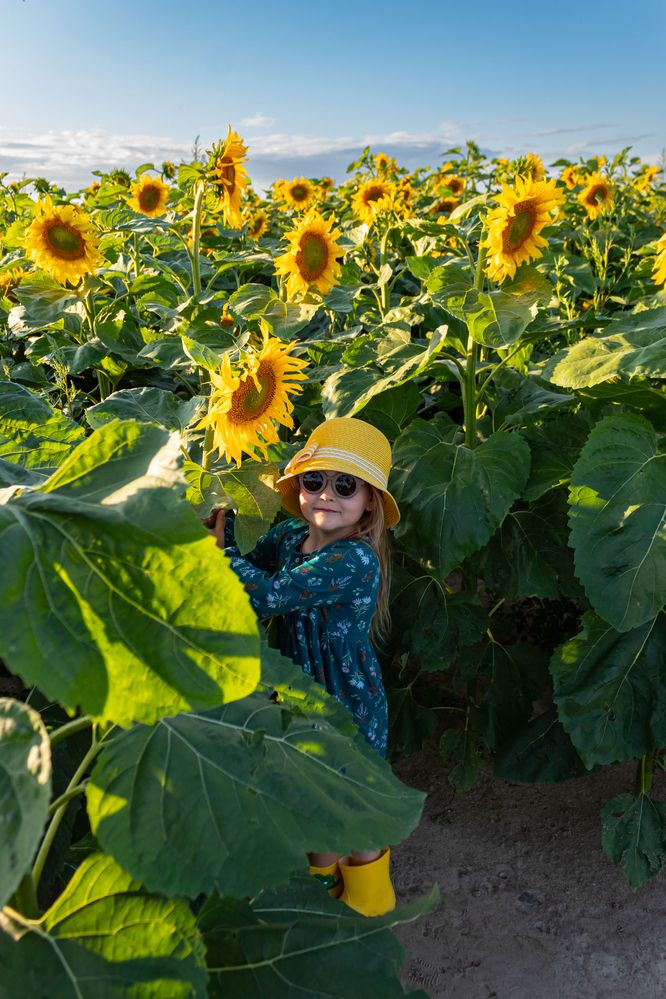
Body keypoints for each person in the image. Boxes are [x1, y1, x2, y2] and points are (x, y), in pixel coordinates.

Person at [208, 416, 400, 917]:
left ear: (369, 502)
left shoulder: (356, 561)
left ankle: (363, 900)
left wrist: (220, 554)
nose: (326, 495)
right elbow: (254, 559)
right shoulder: (292, 536)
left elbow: (267, 594)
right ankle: (337, 895)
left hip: (345, 700)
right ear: (299, 488)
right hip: (298, 692)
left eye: (345, 485)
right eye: (314, 481)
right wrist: (221, 520)